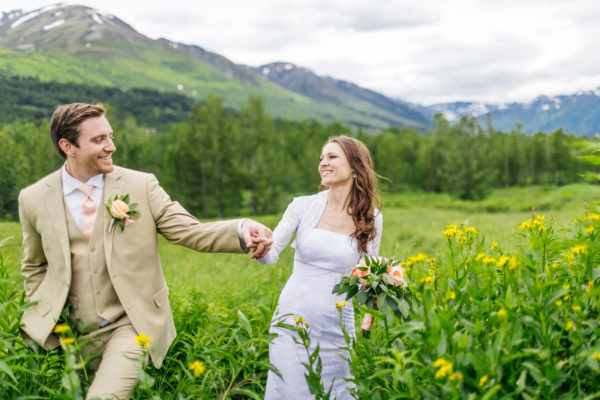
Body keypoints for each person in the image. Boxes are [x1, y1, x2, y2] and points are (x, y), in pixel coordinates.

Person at [17, 102, 272, 399]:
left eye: (110, 136)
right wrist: (44, 314)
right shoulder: (33, 198)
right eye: (99, 140)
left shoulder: (141, 185)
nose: (111, 146)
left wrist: (241, 230)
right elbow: (34, 266)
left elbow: (190, 231)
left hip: (131, 325)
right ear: (67, 146)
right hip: (71, 335)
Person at [258, 135, 383, 399]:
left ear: (355, 166)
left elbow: (363, 279)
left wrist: (383, 278)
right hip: (292, 318)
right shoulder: (302, 206)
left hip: (337, 324)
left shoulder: (371, 216)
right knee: (290, 389)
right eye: (321, 158)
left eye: (332, 156)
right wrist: (259, 245)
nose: (323, 163)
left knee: (335, 391)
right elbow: (271, 253)